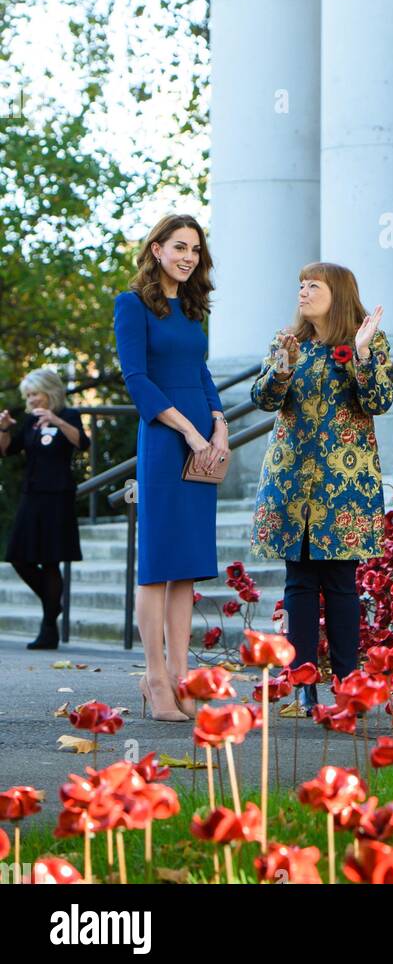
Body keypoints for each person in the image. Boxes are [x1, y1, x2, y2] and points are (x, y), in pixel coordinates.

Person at [250, 262, 393, 715]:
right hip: (291, 478)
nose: (304, 291)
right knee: (299, 582)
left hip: (345, 483)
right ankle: (304, 681)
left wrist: (364, 355)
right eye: (300, 284)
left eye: (314, 284)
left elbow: (378, 402)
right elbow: (263, 400)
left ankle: (348, 682)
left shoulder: (365, 340)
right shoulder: (286, 342)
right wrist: (282, 369)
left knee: (341, 583)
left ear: (340, 293)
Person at [113, 214, 228, 722]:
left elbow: (199, 371)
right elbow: (136, 379)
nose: (188, 256)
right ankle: (155, 676)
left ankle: (183, 678)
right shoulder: (131, 305)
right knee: (158, 562)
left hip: (203, 437)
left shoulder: (193, 308)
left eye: (196, 250)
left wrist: (219, 423)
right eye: (179, 247)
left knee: (186, 565)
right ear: (156, 249)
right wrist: (187, 429)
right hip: (164, 438)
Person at [0, 367, 90, 650]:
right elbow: (6, 450)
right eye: (28, 395)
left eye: (35, 393)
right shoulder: (30, 421)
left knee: (51, 560)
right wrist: (3, 428)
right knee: (18, 557)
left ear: (49, 391)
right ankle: (53, 604)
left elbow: (82, 443)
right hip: (32, 494)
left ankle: (48, 627)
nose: (32, 399)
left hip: (58, 495)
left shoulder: (69, 416)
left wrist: (55, 420)